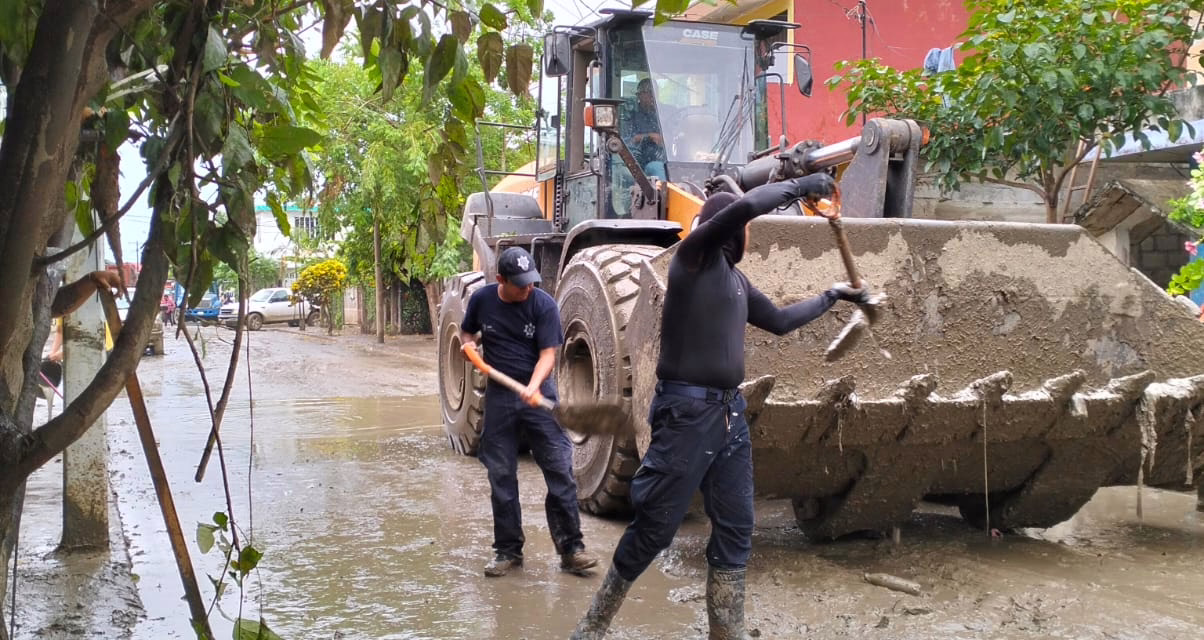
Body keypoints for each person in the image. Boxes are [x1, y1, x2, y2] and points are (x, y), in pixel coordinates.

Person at [571, 174, 872, 639]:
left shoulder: (735, 282)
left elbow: (780, 321)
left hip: (729, 416)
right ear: (728, 228)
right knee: (654, 529)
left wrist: (834, 296)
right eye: (743, 226)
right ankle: (593, 626)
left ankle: (724, 633)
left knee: (736, 529)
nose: (748, 232)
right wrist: (801, 184)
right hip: (686, 417)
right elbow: (746, 207)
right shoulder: (691, 262)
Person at [460, 246, 600, 578]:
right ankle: (508, 551)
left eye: (531, 281)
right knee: (502, 476)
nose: (528, 289)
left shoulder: (543, 304)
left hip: (538, 394)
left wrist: (534, 386)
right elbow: (467, 332)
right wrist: (469, 346)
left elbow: (548, 355)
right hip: (500, 398)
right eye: (520, 284)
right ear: (500, 280)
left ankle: (571, 550)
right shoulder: (482, 301)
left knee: (560, 472)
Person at [625, 77, 667, 181]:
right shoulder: (630, 115)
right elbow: (624, 142)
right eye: (647, 92)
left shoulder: (666, 112)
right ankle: (666, 195)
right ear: (639, 95)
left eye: (653, 92)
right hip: (639, 163)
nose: (652, 96)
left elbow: (675, 133)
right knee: (657, 167)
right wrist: (649, 136)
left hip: (668, 159)